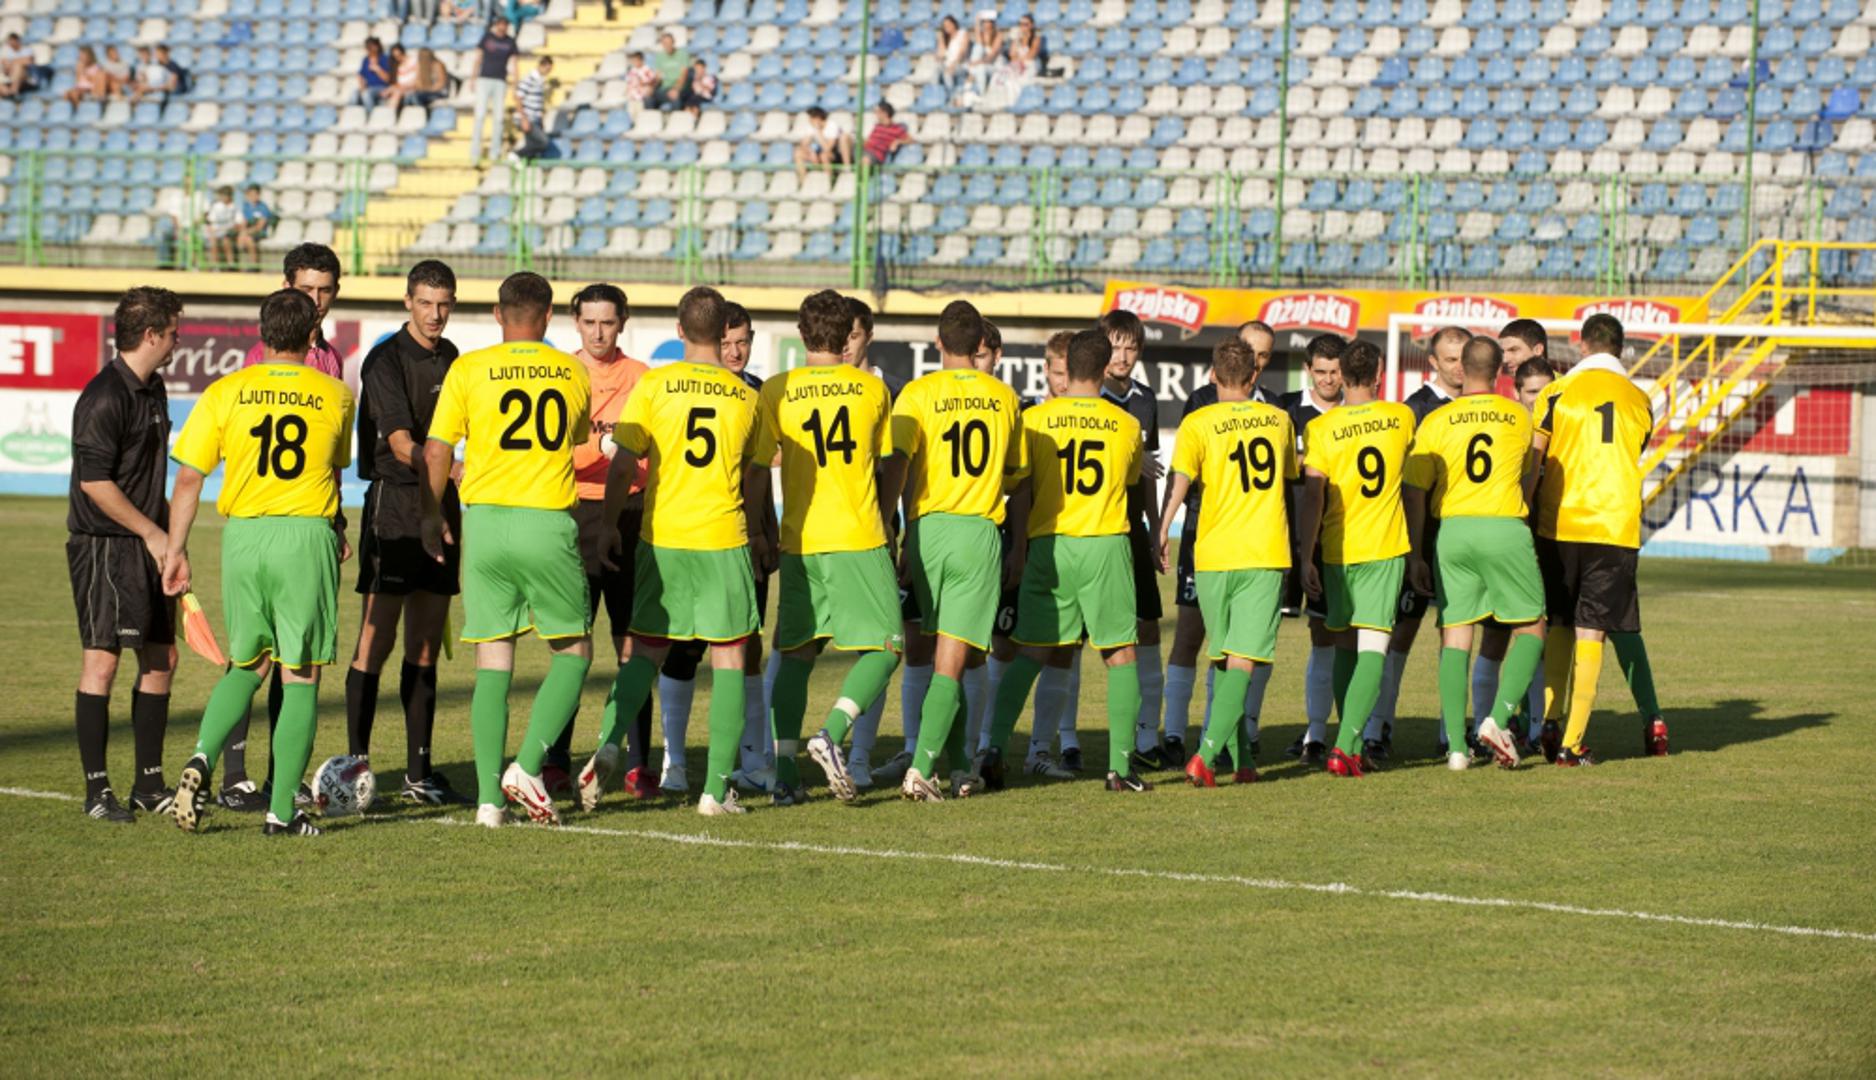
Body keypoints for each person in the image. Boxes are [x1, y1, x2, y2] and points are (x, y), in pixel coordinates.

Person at [167, 288, 356, 837]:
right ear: (311, 333)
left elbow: (188, 477)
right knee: (301, 673)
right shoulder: (337, 394)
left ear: (262, 332)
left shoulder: (225, 391)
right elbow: (334, 465)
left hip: (244, 537)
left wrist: (175, 551)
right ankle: (281, 813)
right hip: (304, 537)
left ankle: (202, 755)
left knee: (247, 664)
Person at [419, 272, 594, 827]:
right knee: (575, 652)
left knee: (492, 659)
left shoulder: (468, 368)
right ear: (548, 317)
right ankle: (528, 766)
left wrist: (430, 516)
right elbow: (576, 436)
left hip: (486, 525)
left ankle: (488, 802)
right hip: (545, 521)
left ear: (498, 314)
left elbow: (437, 449)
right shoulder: (571, 370)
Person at [580, 287, 761, 817]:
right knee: (730, 657)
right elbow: (754, 474)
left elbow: (622, 462)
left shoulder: (654, 385)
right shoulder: (746, 397)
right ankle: (715, 791)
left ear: (679, 330)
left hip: (662, 538)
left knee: (645, 651)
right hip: (722, 537)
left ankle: (609, 744)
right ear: (722, 331)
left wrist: (610, 525)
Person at [744, 291, 904, 805]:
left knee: (795, 656)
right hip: (858, 536)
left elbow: (757, 469)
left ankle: (785, 776)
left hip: (800, 540)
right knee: (887, 647)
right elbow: (882, 464)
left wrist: (761, 532)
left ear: (802, 332)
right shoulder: (872, 390)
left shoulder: (777, 389)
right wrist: (888, 524)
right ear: (846, 334)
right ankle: (831, 733)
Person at [984, 329, 1151, 793]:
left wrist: (1019, 547)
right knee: (1121, 655)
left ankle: (993, 748)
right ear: (1103, 368)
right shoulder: (1125, 424)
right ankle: (1119, 768)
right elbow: (1130, 480)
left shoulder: (1035, 420)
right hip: (1103, 544)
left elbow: (1020, 487)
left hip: (1049, 545)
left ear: (1068, 366)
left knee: (1030, 652)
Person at [883, 301, 1021, 800]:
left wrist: (892, 526)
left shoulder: (917, 393)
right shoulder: (1004, 397)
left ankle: (960, 764)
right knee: (953, 658)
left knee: (948, 651)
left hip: (927, 531)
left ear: (938, 343)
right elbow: (1013, 472)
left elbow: (898, 462)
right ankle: (922, 767)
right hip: (976, 531)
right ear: (979, 344)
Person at [345, 260, 464, 806]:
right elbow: (397, 444)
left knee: (425, 644)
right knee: (377, 641)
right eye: (425, 303)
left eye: (444, 304)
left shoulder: (453, 356)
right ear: (407, 302)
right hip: (394, 504)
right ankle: (355, 768)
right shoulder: (384, 360)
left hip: (443, 505)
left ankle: (419, 773)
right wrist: (443, 465)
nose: (435, 314)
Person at [1155, 337, 1297, 787]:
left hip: (1212, 554)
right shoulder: (1279, 420)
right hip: (1262, 551)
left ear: (1213, 375)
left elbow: (1180, 481)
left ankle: (1242, 761)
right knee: (1243, 660)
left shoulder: (1197, 422)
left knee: (1225, 658)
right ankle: (1205, 755)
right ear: (1254, 377)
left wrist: (1163, 529)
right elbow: (1288, 475)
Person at [648, 303, 777, 796]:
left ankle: (752, 759)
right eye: (727, 342)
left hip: (741, 539)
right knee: (684, 649)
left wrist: (766, 532)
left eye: (743, 341)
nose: (735, 351)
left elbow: (759, 476)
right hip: (697, 536)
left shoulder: (758, 393)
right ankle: (675, 762)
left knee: (747, 648)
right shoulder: (685, 387)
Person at [66, 286, 184, 823]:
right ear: (151, 334)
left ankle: (148, 786)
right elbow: (96, 483)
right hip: (105, 546)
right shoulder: (103, 396)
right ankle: (97, 792)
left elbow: (147, 478)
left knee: (162, 658)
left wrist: (172, 542)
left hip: (149, 544)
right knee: (103, 661)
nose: (178, 341)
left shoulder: (154, 389)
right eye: (174, 332)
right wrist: (153, 535)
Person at [1403, 336, 1545, 772]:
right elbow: (1527, 474)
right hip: (1503, 526)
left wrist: (1415, 553)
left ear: (1462, 368)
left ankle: (1455, 749)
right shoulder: (1518, 416)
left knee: (1455, 635)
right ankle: (1498, 720)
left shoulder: (1436, 420)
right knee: (1532, 628)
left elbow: (1414, 489)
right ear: (1500, 371)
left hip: (1454, 531)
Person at [1529, 314, 1660, 766]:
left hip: (1559, 522)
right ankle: (1573, 741)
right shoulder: (1640, 399)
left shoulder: (1555, 392)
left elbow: (1536, 458)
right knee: (1593, 630)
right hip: (1613, 526)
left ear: (1582, 345)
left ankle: (1549, 720)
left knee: (1560, 621)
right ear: (1620, 349)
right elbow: (1634, 449)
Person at [1292, 340, 1423, 778]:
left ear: (1342, 375)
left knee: (1344, 644)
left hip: (1337, 549)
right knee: (1374, 647)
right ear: (1379, 374)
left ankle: (1346, 740)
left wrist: (1306, 555)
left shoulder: (1322, 427)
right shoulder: (1401, 417)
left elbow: (1314, 495)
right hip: (1383, 547)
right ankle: (1348, 744)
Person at [553, 284, 659, 804]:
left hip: (630, 512)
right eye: (590, 322)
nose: (599, 332)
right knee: (571, 643)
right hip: (573, 512)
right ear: (576, 322)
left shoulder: (642, 377)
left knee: (631, 643)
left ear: (623, 323)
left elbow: (652, 451)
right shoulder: (562, 374)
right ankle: (554, 760)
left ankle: (637, 763)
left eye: (608, 322)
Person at [1366, 324, 1469, 761]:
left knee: (1457, 633)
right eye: (1450, 359)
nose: (1459, 367)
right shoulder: (1416, 410)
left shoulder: (1481, 406)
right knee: (1400, 633)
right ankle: (1378, 727)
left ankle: (1451, 732)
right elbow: (1405, 486)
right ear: (1432, 362)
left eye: (1464, 358)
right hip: (1420, 539)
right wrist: (1413, 549)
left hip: (1462, 539)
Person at [1095, 310, 1167, 772]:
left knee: (1148, 629)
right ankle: (1059, 741)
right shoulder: (1089, 398)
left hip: (1133, 530)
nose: (1122, 357)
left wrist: (1156, 529)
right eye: (1114, 346)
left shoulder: (1145, 400)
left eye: (1130, 347)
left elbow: (1150, 473)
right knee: (1070, 643)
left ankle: (1147, 735)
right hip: (1096, 530)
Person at [1279, 333, 1345, 764]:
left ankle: (1317, 734)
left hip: (1335, 542)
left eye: (1335, 371)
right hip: (1284, 541)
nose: (1328, 379)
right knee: (1261, 638)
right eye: (1320, 371)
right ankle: (1247, 732)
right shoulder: (1285, 411)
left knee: (1328, 636)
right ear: (1308, 370)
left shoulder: (1354, 415)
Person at [469, 18, 518, 166]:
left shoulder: (510, 42)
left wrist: (515, 84)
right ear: (496, 26)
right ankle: (474, 154)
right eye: (500, 25)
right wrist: (473, 78)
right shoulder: (487, 37)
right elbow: (478, 58)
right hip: (484, 79)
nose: (502, 28)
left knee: (498, 118)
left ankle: (494, 153)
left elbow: (514, 64)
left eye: (505, 25)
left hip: (500, 81)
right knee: (480, 116)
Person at [794, 106, 853, 179]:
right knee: (798, 153)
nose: (809, 121)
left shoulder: (831, 126)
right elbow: (803, 144)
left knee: (824, 156)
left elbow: (828, 149)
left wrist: (819, 133)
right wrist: (810, 151)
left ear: (817, 118)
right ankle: (804, 180)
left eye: (811, 118)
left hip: (834, 155)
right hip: (817, 152)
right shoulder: (810, 126)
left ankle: (828, 180)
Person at [511, 55, 553, 160]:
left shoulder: (540, 81)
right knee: (543, 142)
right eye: (547, 69)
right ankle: (516, 154)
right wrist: (523, 119)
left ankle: (521, 163)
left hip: (534, 119)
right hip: (527, 119)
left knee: (532, 147)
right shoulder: (529, 79)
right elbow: (518, 98)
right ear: (542, 66)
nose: (548, 72)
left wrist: (540, 120)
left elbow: (537, 103)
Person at [233, 185, 275, 268]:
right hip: (248, 232)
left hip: (261, 232)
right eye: (251, 194)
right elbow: (244, 222)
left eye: (255, 194)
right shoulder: (246, 206)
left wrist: (245, 232)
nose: (253, 197)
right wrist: (243, 231)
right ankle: (234, 266)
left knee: (249, 239)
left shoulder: (263, 207)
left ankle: (254, 265)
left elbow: (260, 226)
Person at [966, 11, 1003, 97]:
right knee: (977, 48)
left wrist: (977, 62)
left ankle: (975, 88)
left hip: (995, 65)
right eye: (984, 22)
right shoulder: (981, 36)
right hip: (981, 64)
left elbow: (991, 57)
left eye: (988, 21)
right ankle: (978, 91)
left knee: (980, 67)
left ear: (992, 23)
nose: (986, 24)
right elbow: (977, 34)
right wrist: (977, 21)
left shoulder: (998, 35)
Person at [202, 185, 241, 268]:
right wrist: (211, 230)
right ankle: (215, 266)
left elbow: (238, 222)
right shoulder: (216, 206)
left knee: (226, 241)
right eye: (222, 195)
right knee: (213, 241)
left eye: (225, 195)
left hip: (227, 232)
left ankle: (231, 265)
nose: (223, 197)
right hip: (215, 231)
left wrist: (230, 229)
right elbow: (209, 221)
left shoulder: (234, 207)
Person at [651, 32, 691, 111]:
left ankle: (677, 118)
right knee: (648, 97)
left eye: (669, 43)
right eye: (665, 43)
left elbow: (684, 75)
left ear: (673, 42)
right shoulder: (659, 56)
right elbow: (658, 77)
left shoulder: (682, 55)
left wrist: (676, 89)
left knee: (675, 98)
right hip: (665, 88)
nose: (668, 45)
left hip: (680, 88)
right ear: (662, 44)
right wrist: (650, 87)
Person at [936, 15, 968, 94]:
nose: (946, 27)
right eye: (944, 26)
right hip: (947, 64)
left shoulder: (963, 33)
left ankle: (952, 96)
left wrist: (954, 64)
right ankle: (936, 94)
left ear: (954, 24)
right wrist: (941, 40)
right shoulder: (945, 38)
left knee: (947, 73)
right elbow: (941, 55)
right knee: (935, 70)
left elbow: (962, 52)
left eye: (948, 24)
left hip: (960, 64)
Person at [357, 37, 392, 108]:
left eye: (371, 46)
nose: (369, 48)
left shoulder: (384, 59)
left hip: (381, 87)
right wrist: (362, 87)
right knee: (354, 95)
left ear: (377, 46)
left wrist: (377, 69)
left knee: (366, 94)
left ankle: (370, 114)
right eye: (367, 46)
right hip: (368, 87)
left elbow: (387, 79)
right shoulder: (365, 60)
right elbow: (361, 75)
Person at [1, 33, 35, 99]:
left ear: (17, 41)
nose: (10, 44)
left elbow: (29, 61)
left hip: (25, 77)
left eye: (12, 41)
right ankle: (9, 93)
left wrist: (13, 62)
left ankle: (13, 91)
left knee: (18, 67)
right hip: (10, 76)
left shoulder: (27, 50)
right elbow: (5, 64)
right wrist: (16, 62)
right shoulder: (7, 51)